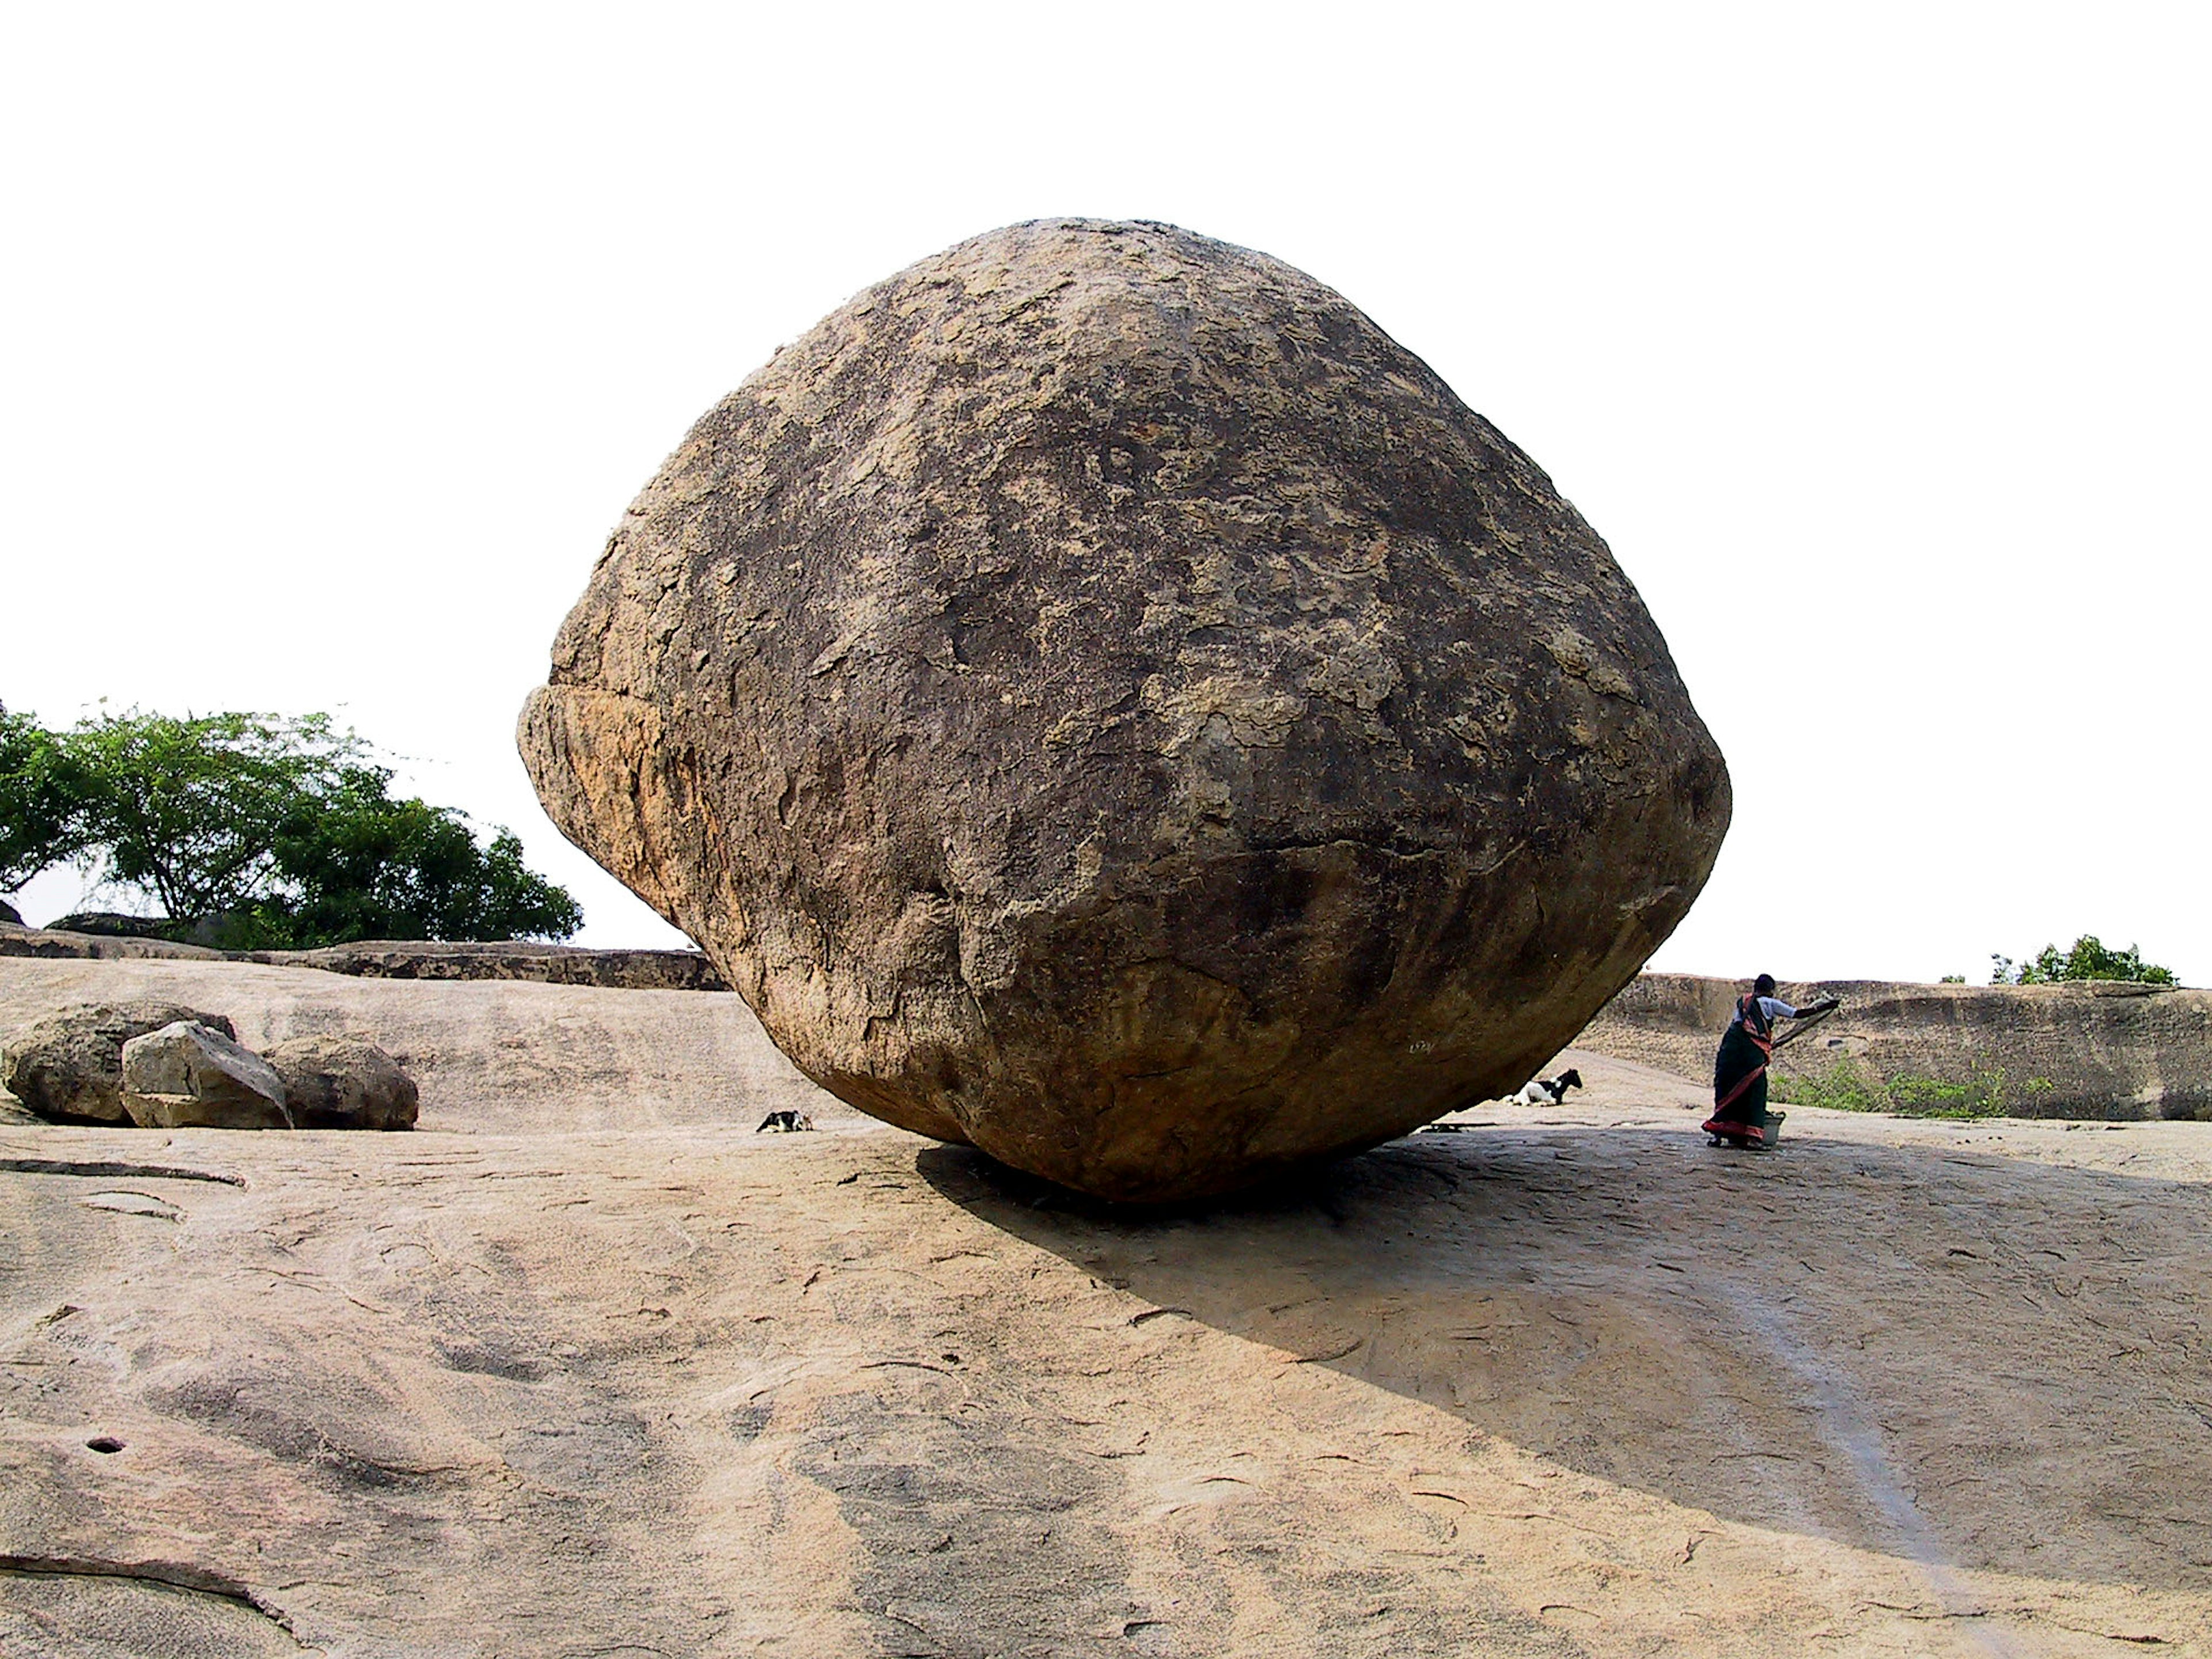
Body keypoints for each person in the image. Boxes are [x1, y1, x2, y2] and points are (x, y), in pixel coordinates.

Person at [1703, 975, 1839, 1149]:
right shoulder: (1770, 1003)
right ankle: (1752, 1137)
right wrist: (1825, 1007)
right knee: (1755, 1090)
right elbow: (1797, 1014)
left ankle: (1719, 1135)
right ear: (1771, 990)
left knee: (1727, 1090)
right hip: (1751, 1054)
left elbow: (1739, 1025)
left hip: (1729, 1052)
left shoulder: (1743, 1002)